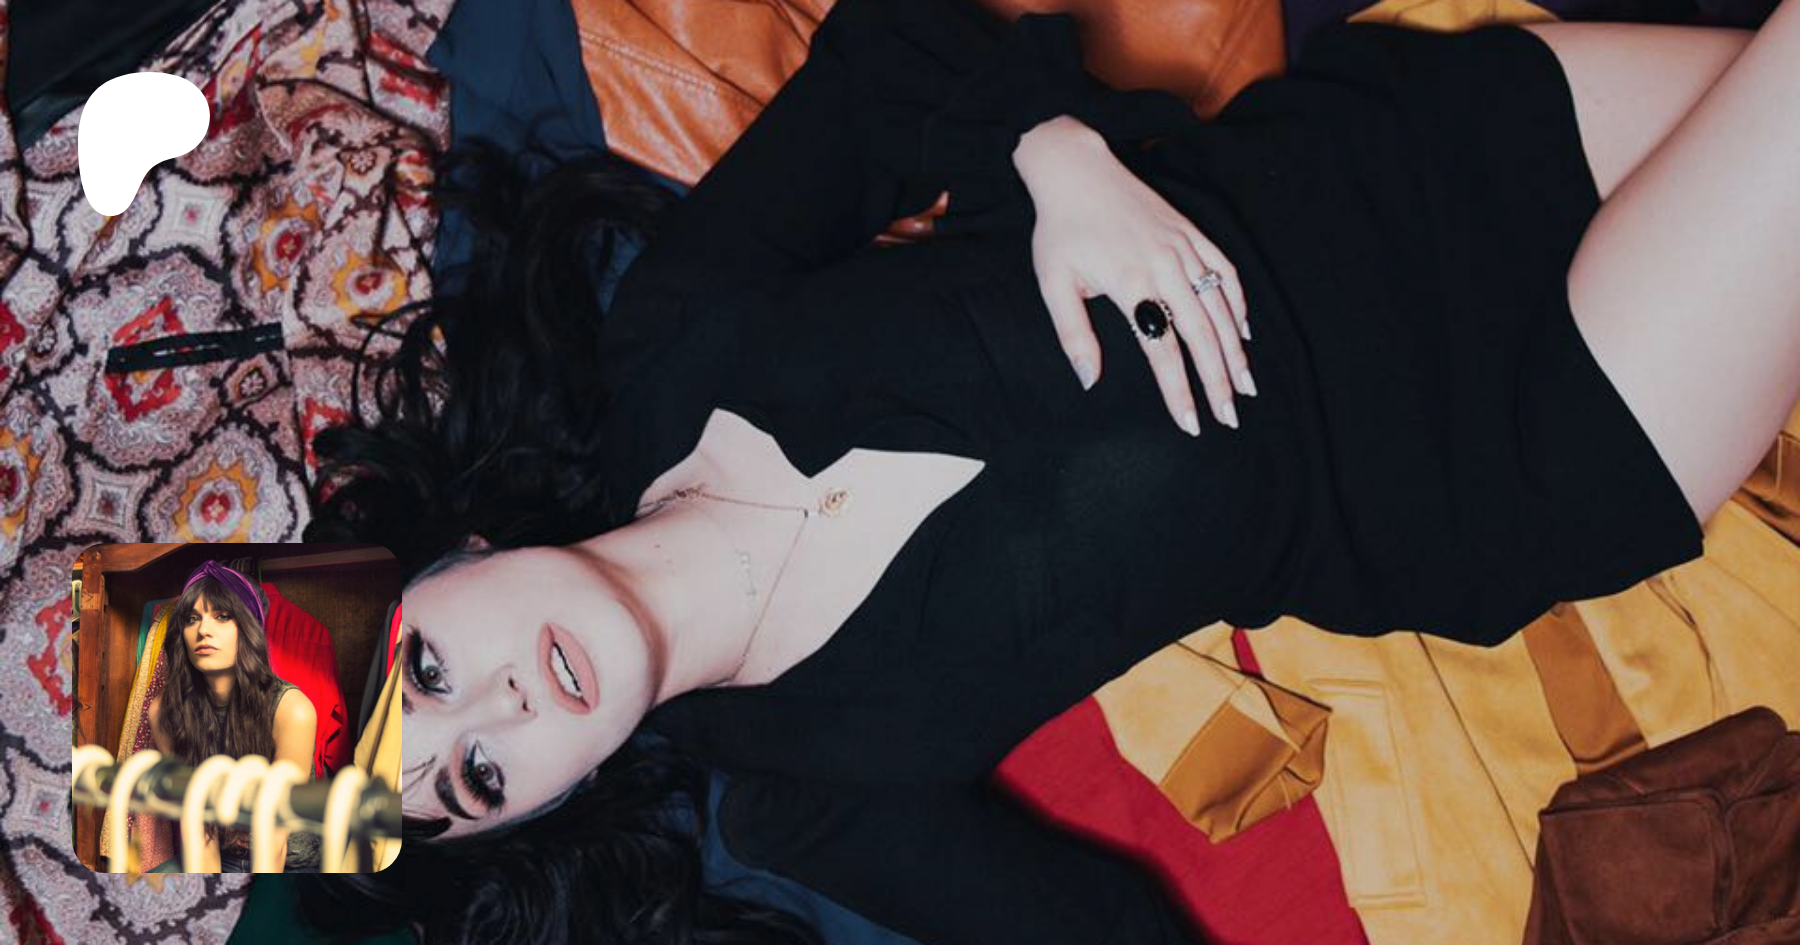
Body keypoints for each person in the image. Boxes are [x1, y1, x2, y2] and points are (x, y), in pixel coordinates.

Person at [295, 0, 1800, 938]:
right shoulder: (813, 799)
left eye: (427, 672)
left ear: (447, 561)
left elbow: (886, 64)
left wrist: (1052, 157)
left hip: (1397, 159)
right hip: (1510, 454)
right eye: (472, 783)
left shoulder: (670, 346)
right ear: (534, 816)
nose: (504, 710)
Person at [147, 560, 321, 873]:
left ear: (249, 629)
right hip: (221, 856)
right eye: (192, 619)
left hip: (289, 864)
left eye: (222, 616)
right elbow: (196, 820)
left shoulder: (291, 710)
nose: (203, 630)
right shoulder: (164, 712)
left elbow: (274, 840)